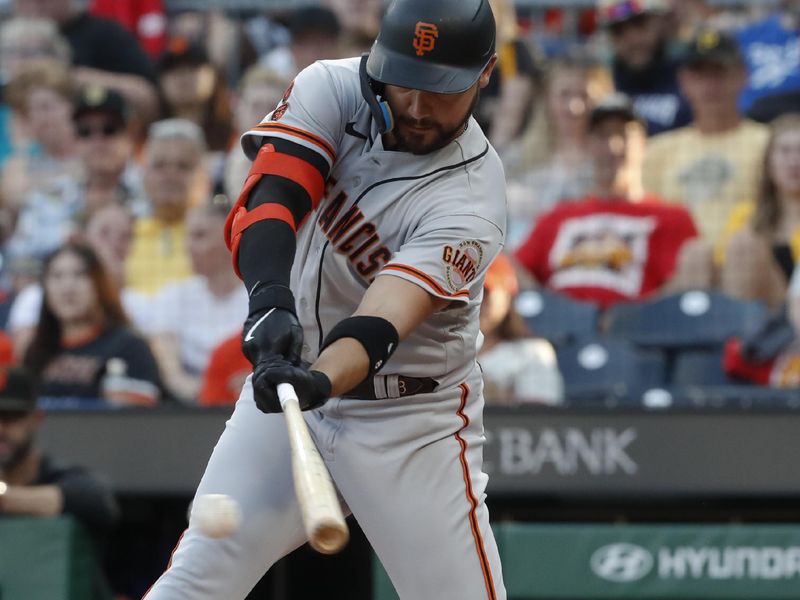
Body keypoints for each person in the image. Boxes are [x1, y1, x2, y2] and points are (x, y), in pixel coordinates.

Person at [143, 0, 507, 598]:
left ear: (485, 73)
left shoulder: (472, 196)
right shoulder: (331, 87)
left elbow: (382, 322)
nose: (417, 106)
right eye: (406, 81)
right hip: (295, 385)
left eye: (441, 88)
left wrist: (319, 381)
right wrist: (268, 301)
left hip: (409, 419)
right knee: (198, 575)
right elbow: (271, 199)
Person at [515, 94, 698, 309]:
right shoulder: (558, 216)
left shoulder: (670, 217)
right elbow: (515, 269)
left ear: (643, 144)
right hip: (558, 327)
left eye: (623, 135)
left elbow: (681, 285)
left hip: (634, 329)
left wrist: (642, 316)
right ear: (589, 145)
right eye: (602, 136)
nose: (612, 147)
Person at [642, 29, 769, 249]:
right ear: (683, 81)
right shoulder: (658, 149)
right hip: (677, 266)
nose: (710, 86)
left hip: (746, 262)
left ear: (742, 76)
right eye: (700, 74)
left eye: (719, 73)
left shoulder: (768, 143)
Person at [23, 242, 161, 406]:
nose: (67, 287)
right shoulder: (36, 352)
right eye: (57, 276)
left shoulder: (129, 348)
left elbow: (137, 420)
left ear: (98, 283)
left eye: (80, 275)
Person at [0, 366, 119, 538]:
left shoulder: (58, 476)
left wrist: (5, 497)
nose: (1, 430)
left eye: (11, 418)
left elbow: (98, 501)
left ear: (35, 419)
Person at [148, 199, 248, 404]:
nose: (188, 245)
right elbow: (170, 371)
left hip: (250, 401)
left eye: (199, 236)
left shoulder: (256, 295)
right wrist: (211, 390)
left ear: (229, 239)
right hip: (191, 406)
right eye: (188, 236)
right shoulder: (173, 296)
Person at [717, 114, 800, 310]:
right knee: (742, 244)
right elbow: (723, 268)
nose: (794, 161)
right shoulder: (746, 214)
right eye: (785, 151)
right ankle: (732, 336)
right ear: (768, 162)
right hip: (762, 307)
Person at [126, 118, 209, 295]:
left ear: (203, 177)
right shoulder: (122, 232)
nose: (170, 175)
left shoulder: (223, 237)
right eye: (160, 165)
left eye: (183, 166)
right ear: (144, 175)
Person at [478, 253, 563, 405]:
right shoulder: (440, 352)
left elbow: (541, 419)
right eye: (467, 294)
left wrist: (498, 399)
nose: (475, 302)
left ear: (507, 297)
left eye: (485, 292)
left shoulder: (532, 352)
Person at [598, 0, 692, 136]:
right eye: (618, 31)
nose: (632, 39)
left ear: (661, 23)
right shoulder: (600, 89)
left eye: (639, 24)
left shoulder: (692, 78)